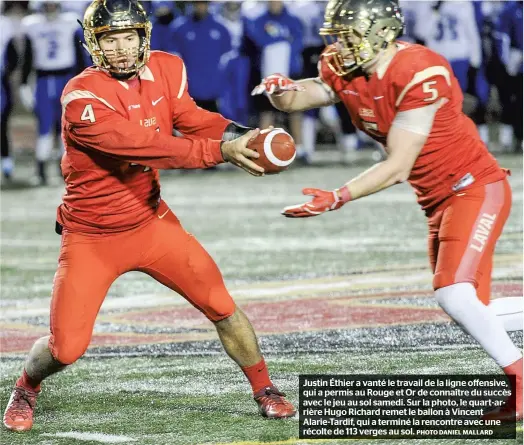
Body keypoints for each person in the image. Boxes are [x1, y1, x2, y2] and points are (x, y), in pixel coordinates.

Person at [3, 0, 295, 433]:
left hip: (151, 222)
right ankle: (27, 385)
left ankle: (265, 387)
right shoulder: (81, 97)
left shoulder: (166, 67)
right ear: (94, 45)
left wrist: (241, 134)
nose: (121, 48)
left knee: (221, 305)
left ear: (143, 37)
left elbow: (189, 118)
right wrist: (220, 152)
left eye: (128, 37)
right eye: (110, 39)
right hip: (92, 237)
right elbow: (146, 145)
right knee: (66, 349)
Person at [253, 0, 522, 421]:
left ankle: (522, 383)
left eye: (350, 36)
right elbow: (309, 94)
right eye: (337, 36)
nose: (340, 45)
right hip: (437, 198)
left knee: (454, 294)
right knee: (471, 310)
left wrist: (339, 195)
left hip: (473, 188)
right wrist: (280, 89)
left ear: (381, 33)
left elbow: (398, 165)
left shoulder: (419, 70)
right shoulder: (344, 64)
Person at [20, 0, 85, 185]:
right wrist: (24, 83)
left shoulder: (70, 22)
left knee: (65, 127)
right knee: (44, 126)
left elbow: (79, 54)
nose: (50, 8)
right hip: (42, 80)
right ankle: (41, 171)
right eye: (46, 5)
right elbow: (28, 55)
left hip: (66, 78)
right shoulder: (32, 25)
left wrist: (82, 80)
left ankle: (64, 169)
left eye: (53, 5)